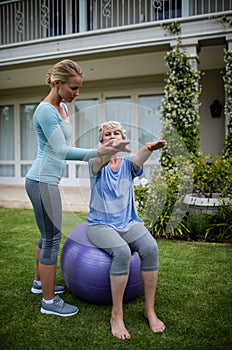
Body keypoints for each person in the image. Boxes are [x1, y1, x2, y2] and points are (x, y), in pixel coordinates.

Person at [25, 60, 130, 317]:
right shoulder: (45, 111)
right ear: (58, 83)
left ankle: (40, 284)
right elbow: (60, 151)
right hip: (41, 180)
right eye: (73, 88)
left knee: (45, 234)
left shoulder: (61, 108)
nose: (76, 93)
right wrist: (100, 151)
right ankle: (49, 302)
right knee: (51, 239)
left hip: (48, 180)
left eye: (79, 88)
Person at [86, 121, 166, 340]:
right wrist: (111, 150)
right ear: (101, 140)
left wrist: (148, 148)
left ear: (123, 136)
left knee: (150, 247)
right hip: (100, 224)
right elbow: (101, 160)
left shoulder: (128, 163)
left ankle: (149, 310)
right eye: (108, 134)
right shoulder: (94, 162)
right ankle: (116, 314)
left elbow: (138, 159)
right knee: (121, 252)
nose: (112, 136)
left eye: (117, 133)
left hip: (128, 222)